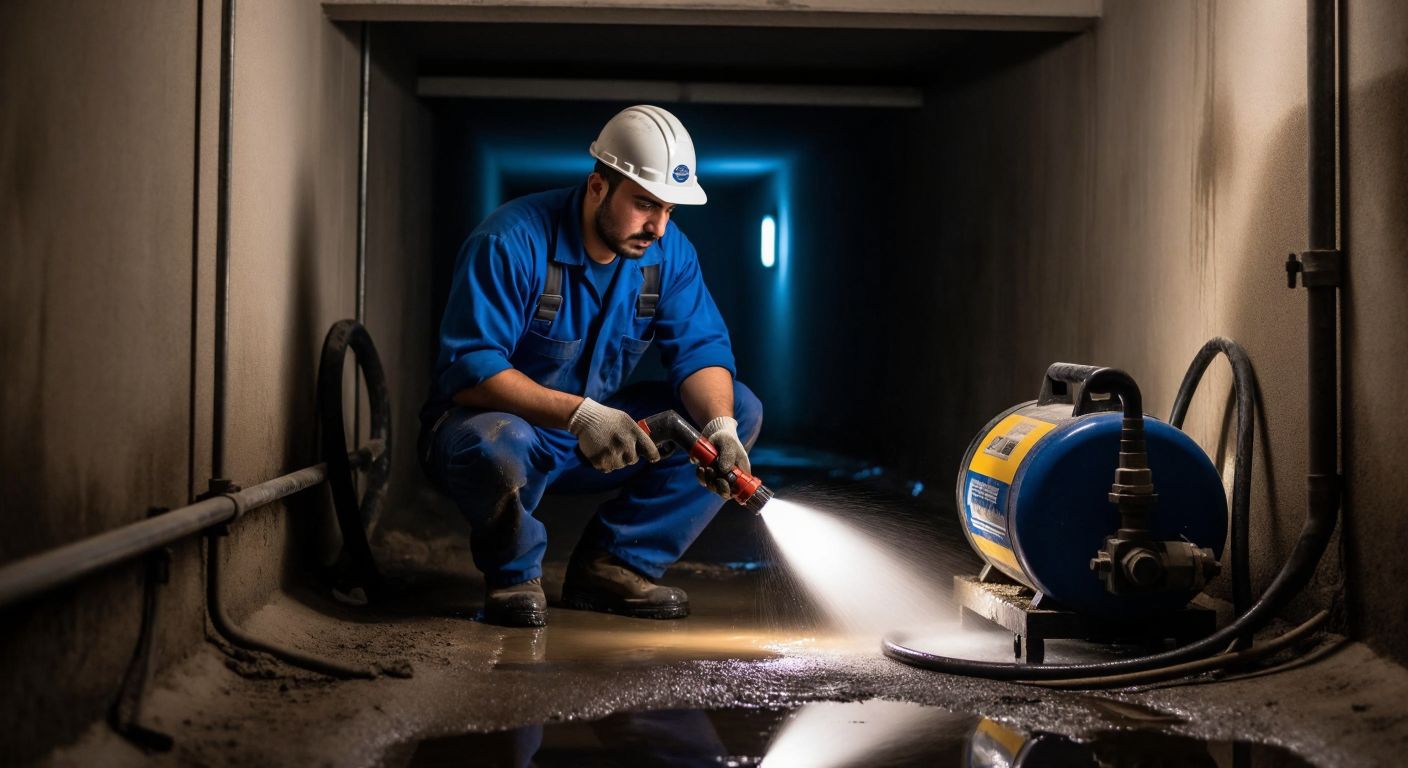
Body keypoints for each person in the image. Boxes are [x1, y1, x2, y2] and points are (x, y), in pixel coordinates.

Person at [419, 105, 763, 627]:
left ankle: (615, 565)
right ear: (598, 186)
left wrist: (721, 426)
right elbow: (470, 368)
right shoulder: (511, 242)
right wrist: (581, 415)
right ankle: (513, 576)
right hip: (494, 436)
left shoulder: (667, 255)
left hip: (593, 437)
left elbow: (702, 350)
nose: (659, 227)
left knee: (739, 404)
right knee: (498, 442)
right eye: (645, 204)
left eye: (670, 210)